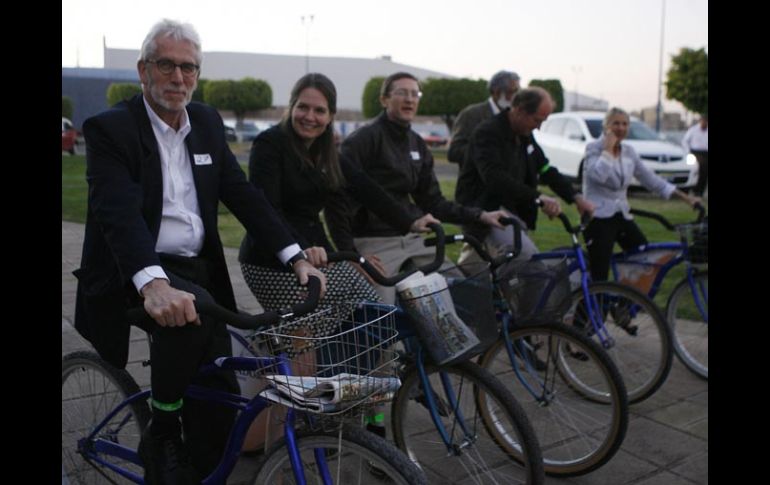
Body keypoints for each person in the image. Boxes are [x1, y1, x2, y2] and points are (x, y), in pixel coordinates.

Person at [72, 19, 326, 485]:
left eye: (188, 68)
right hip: (137, 269)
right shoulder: (111, 129)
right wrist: (154, 285)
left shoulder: (206, 122)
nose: (178, 77)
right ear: (143, 69)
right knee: (184, 322)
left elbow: (244, 195)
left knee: (217, 395)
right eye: (166, 64)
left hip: (198, 271)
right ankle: (163, 431)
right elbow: (118, 213)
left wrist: (296, 257)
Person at [238, 72, 426, 446]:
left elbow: (368, 191)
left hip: (314, 255)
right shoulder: (270, 145)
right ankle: (299, 422)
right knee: (303, 338)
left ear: (330, 115)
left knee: (374, 310)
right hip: (270, 260)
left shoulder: (326, 153)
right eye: (303, 107)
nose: (310, 116)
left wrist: (412, 220)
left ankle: (323, 389)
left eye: (319, 110)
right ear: (291, 107)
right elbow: (267, 210)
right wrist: (297, 249)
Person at [326, 71, 508, 304]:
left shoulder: (417, 144)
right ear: (384, 100)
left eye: (415, 94)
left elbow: (433, 201)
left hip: (413, 239)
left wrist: (480, 215)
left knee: (464, 292)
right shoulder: (363, 140)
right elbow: (337, 201)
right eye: (402, 93)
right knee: (383, 317)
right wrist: (350, 253)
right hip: (374, 241)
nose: (410, 99)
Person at [455, 86, 595, 269]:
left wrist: (575, 197)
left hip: (514, 214)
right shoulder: (488, 133)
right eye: (537, 120)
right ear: (519, 110)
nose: (539, 127)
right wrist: (537, 197)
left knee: (485, 273)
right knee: (527, 263)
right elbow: (494, 177)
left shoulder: (525, 136)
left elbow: (545, 169)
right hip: (487, 211)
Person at [582, 107, 701, 282]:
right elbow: (598, 175)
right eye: (616, 123)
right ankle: (589, 308)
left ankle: (624, 302)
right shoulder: (593, 148)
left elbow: (651, 179)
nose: (621, 128)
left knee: (643, 257)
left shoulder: (629, 151)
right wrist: (607, 150)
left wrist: (686, 198)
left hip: (621, 215)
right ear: (606, 126)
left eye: (625, 124)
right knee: (599, 273)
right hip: (597, 217)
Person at [448, 70, 521, 167]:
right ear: (496, 92)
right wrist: (489, 153)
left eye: (518, 91)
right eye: (512, 92)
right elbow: (454, 152)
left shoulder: (514, 116)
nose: (516, 97)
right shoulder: (471, 114)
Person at [681, 114, 708, 197]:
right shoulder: (693, 130)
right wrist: (688, 152)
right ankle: (693, 189)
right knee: (695, 171)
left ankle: (700, 191)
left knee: (704, 173)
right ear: (700, 121)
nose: (704, 123)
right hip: (695, 153)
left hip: (705, 153)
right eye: (703, 121)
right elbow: (685, 141)